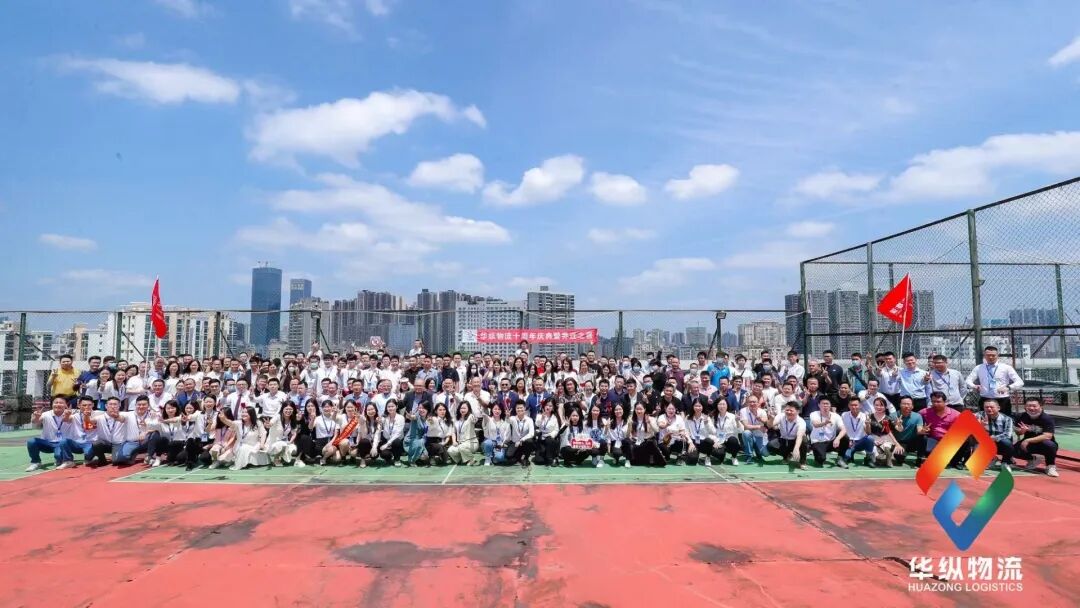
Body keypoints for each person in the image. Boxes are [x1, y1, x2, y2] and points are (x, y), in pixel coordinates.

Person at [966, 346, 1024, 415]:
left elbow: (1020, 382)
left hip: (1002, 399)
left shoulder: (1006, 367)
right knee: (984, 420)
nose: (990, 357)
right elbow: (968, 380)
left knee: (1004, 419)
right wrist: (974, 386)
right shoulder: (979, 368)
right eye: (988, 355)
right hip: (985, 399)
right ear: (984, 356)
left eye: (993, 355)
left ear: (998, 356)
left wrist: (1008, 388)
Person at [26, 396, 74, 471]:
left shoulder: (69, 414)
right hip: (47, 443)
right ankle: (36, 462)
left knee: (58, 457)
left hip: (61, 444)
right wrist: (36, 417)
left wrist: (67, 415)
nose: (58, 404)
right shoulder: (46, 414)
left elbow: (68, 419)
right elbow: (35, 421)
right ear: (52, 404)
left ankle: (59, 459)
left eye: (61, 403)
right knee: (31, 441)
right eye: (56, 402)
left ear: (65, 405)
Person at [1014, 398, 1059, 477]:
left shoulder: (1047, 418)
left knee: (1050, 445)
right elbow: (1018, 432)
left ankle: (1050, 466)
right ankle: (1032, 459)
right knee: (1011, 450)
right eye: (1029, 406)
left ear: (1041, 406)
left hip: (1043, 443)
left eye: (1034, 406)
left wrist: (1028, 440)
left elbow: (1048, 436)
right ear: (1025, 407)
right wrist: (1022, 431)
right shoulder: (1021, 416)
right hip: (1029, 443)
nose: (1031, 408)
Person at [90, 397, 141, 466]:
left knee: (117, 461)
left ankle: (132, 454)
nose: (113, 406)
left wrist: (116, 416)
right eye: (110, 404)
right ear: (106, 406)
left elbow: (122, 419)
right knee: (96, 443)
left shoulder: (124, 415)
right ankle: (102, 460)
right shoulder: (100, 417)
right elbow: (91, 422)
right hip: (106, 443)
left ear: (119, 405)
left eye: (115, 404)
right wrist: (87, 417)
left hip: (118, 444)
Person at [920, 391, 964, 469]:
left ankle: (955, 461)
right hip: (933, 440)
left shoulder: (956, 414)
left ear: (945, 402)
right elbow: (915, 417)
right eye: (933, 401)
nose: (935, 404)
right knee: (924, 442)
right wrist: (921, 428)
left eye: (938, 402)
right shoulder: (925, 412)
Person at [216, 406, 268, 470]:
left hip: (253, 446)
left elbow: (263, 433)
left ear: (251, 414)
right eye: (242, 412)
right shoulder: (239, 423)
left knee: (244, 449)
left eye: (246, 412)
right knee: (226, 456)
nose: (243, 414)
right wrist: (224, 419)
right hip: (238, 446)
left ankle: (241, 462)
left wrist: (262, 444)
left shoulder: (258, 423)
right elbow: (231, 423)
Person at [976, 400, 1014, 471]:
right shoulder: (978, 415)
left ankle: (1005, 462)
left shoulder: (1007, 419)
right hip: (984, 443)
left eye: (991, 407)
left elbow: (1007, 434)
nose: (989, 409)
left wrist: (994, 438)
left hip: (1000, 443)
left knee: (1007, 442)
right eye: (986, 407)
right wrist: (980, 426)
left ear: (998, 408)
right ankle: (992, 458)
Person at [769, 402, 808, 470]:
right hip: (784, 440)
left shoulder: (801, 422)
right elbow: (770, 426)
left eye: (791, 410)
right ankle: (787, 456)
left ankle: (802, 462)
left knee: (804, 439)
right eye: (787, 410)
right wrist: (771, 418)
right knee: (770, 445)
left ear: (797, 411)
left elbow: (799, 436)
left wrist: (796, 449)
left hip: (795, 441)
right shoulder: (780, 416)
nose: (789, 412)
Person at [808, 398, 845, 468]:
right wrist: (824, 423)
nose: (825, 405)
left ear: (830, 405)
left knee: (845, 437)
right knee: (821, 459)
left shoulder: (836, 416)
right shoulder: (814, 414)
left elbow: (844, 429)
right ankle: (817, 453)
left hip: (831, 442)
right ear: (819, 405)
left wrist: (837, 439)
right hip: (818, 441)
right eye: (823, 404)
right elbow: (815, 425)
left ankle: (840, 458)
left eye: (827, 404)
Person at [838, 397, 874, 468]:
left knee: (870, 438)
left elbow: (868, 433)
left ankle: (868, 459)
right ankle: (849, 455)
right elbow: (841, 429)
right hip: (848, 442)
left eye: (856, 405)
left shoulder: (865, 416)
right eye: (852, 405)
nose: (854, 407)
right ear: (849, 406)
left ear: (860, 405)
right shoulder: (844, 415)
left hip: (860, 442)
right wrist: (848, 440)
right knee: (846, 458)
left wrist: (867, 425)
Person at [628, 403, 664, 467]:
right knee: (634, 462)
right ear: (634, 410)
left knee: (651, 442)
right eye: (637, 409)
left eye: (641, 409)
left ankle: (652, 456)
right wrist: (630, 434)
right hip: (636, 442)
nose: (639, 411)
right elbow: (629, 433)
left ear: (644, 409)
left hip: (647, 441)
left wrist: (650, 423)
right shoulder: (631, 419)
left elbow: (657, 430)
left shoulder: (651, 418)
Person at [868, 397, 900, 467]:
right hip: (873, 439)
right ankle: (881, 457)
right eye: (876, 405)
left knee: (886, 446)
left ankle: (888, 457)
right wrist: (874, 440)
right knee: (874, 453)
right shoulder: (869, 417)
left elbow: (898, 429)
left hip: (886, 439)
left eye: (881, 405)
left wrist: (899, 424)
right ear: (873, 406)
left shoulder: (889, 418)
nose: (879, 407)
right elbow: (867, 432)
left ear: (885, 407)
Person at [893, 397, 924, 467]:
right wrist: (898, 425)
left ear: (912, 406)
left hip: (911, 442)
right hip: (898, 443)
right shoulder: (893, 415)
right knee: (899, 461)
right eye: (904, 404)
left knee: (923, 437)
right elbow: (896, 429)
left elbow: (919, 431)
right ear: (900, 405)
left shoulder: (917, 416)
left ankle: (919, 458)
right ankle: (903, 453)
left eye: (908, 404)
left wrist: (923, 431)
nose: (906, 406)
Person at [708, 399, 741, 466]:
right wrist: (715, 441)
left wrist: (737, 421)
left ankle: (734, 457)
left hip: (729, 441)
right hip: (719, 441)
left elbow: (740, 431)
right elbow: (710, 432)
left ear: (727, 405)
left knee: (733, 440)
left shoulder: (732, 416)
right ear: (717, 406)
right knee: (718, 453)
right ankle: (722, 454)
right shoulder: (713, 417)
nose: (722, 406)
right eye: (720, 404)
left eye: (724, 404)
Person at [739, 395, 770, 464]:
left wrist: (760, 419)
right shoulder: (743, 411)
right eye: (750, 402)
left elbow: (766, 421)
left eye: (754, 402)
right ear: (747, 403)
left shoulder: (762, 411)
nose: (752, 404)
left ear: (758, 403)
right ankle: (749, 456)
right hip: (749, 435)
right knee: (746, 433)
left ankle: (757, 450)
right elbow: (746, 426)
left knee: (766, 453)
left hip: (760, 436)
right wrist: (758, 427)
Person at [448, 401, 479, 465]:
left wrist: (475, 415)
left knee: (461, 447)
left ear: (468, 409)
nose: (462, 410)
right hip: (460, 443)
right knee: (450, 450)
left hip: (471, 443)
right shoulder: (456, 419)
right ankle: (462, 460)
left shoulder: (470, 417)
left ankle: (471, 459)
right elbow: (453, 432)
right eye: (461, 408)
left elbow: (475, 420)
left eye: (464, 408)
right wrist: (454, 441)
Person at [507, 401, 536, 467]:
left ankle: (526, 458)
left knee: (530, 441)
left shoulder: (529, 420)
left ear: (525, 408)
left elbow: (531, 433)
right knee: (508, 456)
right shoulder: (513, 418)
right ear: (515, 409)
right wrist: (507, 416)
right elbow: (507, 421)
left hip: (524, 443)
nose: (519, 409)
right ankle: (519, 456)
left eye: (521, 408)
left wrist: (522, 440)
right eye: (518, 408)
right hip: (515, 443)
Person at [534, 399, 561, 466]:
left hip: (550, 439)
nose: (548, 407)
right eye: (547, 405)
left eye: (550, 406)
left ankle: (550, 458)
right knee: (539, 461)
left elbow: (556, 430)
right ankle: (544, 455)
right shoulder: (539, 415)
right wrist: (542, 418)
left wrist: (550, 435)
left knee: (549, 440)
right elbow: (537, 425)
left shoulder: (555, 417)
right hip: (541, 438)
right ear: (544, 406)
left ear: (553, 408)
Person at [379, 400, 406, 466]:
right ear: (386, 408)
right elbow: (379, 430)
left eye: (392, 406)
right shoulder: (384, 418)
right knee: (384, 454)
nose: (390, 408)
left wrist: (387, 444)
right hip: (387, 441)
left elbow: (398, 434)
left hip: (397, 442)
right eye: (388, 407)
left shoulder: (401, 418)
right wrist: (379, 422)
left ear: (396, 406)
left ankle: (397, 459)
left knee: (396, 442)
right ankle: (389, 458)